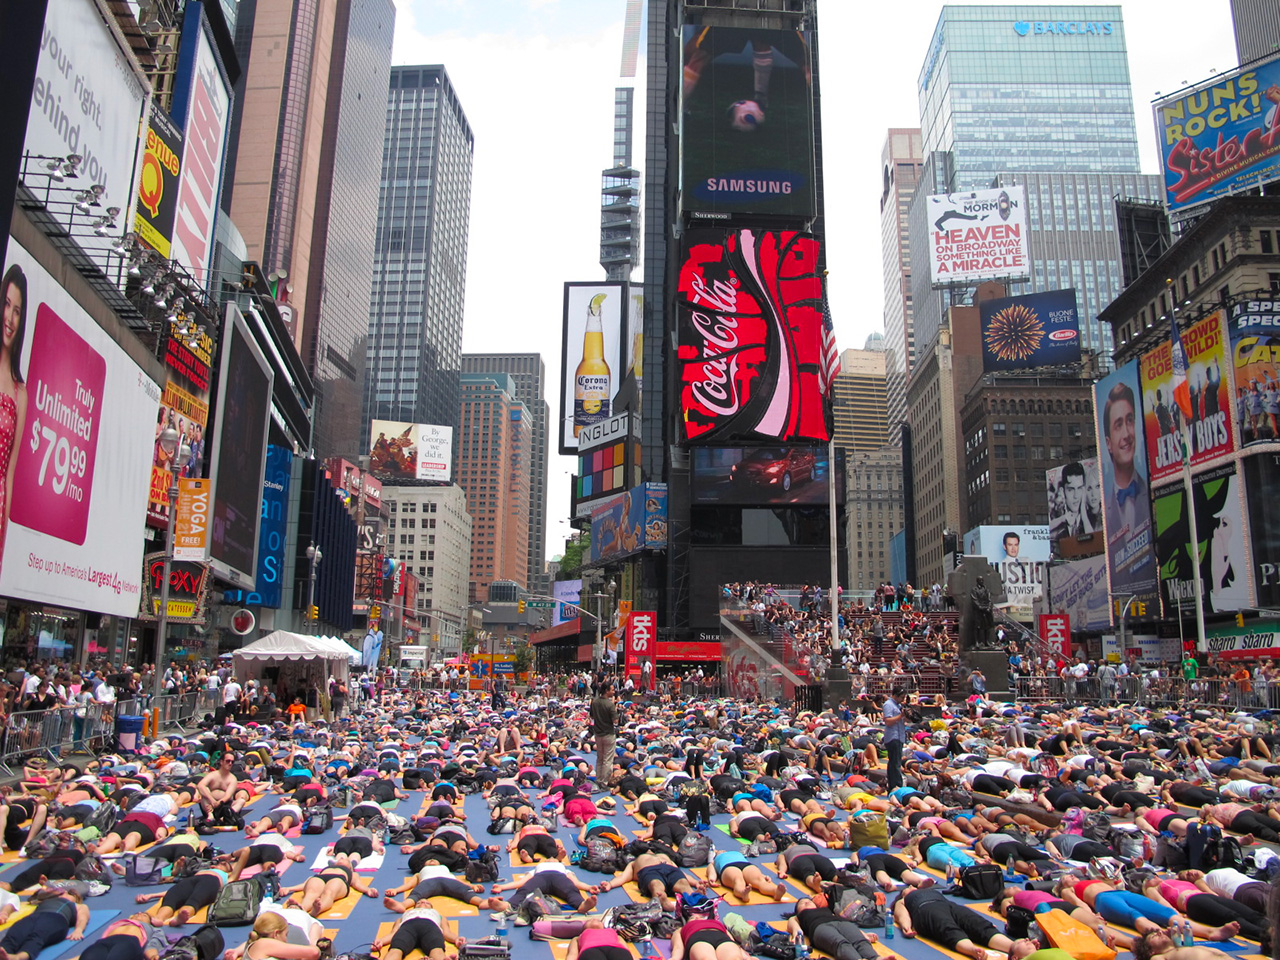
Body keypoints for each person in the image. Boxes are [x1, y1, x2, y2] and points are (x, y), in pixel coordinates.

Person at [1102, 379, 1153, 550]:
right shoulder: (1103, 512)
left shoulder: (1153, 493)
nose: (1126, 434)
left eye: (1129, 421)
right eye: (1118, 425)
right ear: (1108, 443)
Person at [0, 264, 28, 572]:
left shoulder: (20, 393)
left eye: (17, 310)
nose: (9, 318)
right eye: (6, 305)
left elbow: (9, 473)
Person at [0, 887, 89, 960]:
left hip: (56, 918)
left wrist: (79, 930)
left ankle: (18, 957)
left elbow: (83, 918)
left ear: (76, 900)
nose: (64, 894)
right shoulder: (47, 901)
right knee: (16, 933)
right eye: (62, 893)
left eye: (69, 894)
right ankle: (3, 951)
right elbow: (35, 897)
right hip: (35, 917)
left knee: (37, 936)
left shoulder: (78, 906)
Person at [788, 897, 891, 960]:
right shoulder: (800, 916)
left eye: (808, 901)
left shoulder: (826, 910)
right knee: (840, 943)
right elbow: (793, 925)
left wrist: (863, 934)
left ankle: (876, 958)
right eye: (802, 903)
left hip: (841, 923)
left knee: (860, 941)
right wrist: (797, 935)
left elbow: (854, 933)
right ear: (798, 910)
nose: (806, 903)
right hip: (820, 927)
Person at [590, 680, 618, 786]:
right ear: (607, 691)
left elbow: (592, 716)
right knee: (607, 759)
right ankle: (604, 781)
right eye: (612, 690)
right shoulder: (610, 705)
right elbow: (615, 720)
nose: (614, 692)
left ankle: (598, 779)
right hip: (608, 734)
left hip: (598, 733)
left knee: (600, 758)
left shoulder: (595, 702)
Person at [881, 693, 905, 791]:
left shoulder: (899, 706)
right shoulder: (888, 704)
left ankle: (893, 785)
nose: (903, 700)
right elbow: (888, 721)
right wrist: (900, 716)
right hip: (892, 736)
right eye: (902, 697)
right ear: (896, 695)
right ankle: (896, 785)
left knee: (895, 762)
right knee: (895, 763)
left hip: (900, 736)